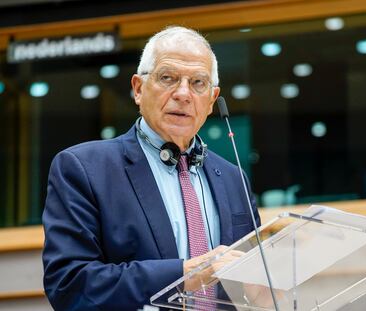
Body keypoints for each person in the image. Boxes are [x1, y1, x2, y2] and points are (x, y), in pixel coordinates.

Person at [42, 26, 260, 311]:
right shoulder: (83, 169)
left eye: (198, 83)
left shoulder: (234, 179)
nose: (183, 93)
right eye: (168, 78)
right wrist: (186, 274)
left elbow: (252, 286)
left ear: (211, 100)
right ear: (138, 88)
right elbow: (70, 285)